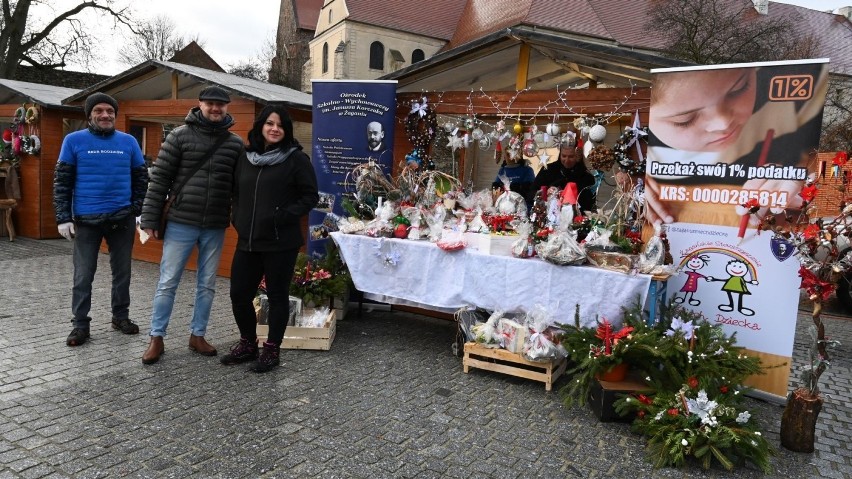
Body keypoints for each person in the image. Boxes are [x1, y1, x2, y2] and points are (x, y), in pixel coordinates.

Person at [644, 63, 827, 226]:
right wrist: (633, 185)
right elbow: (623, 169)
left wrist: (801, 169)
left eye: (739, 89)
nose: (723, 124)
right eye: (685, 120)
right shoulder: (641, 135)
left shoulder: (799, 85)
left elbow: (820, 148)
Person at [138, 86, 245, 365]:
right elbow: (159, 179)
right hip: (181, 221)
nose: (215, 109)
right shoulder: (179, 136)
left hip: (214, 224)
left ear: (226, 108)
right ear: (200, 104)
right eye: (210, 103)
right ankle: (156, 337)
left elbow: (240, 188)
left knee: (207, 284)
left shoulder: (234, 144)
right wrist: (149, 219)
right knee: (168, 281)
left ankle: (197, 335)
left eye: (220, 105)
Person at [222, 104, 318, 373]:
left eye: (280, 125)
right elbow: (236, 192)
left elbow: (310, 196)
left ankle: (272, 350)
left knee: (277, 297)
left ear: (286, 130)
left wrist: (282, 215)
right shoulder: (246, 157)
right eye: (270, 124)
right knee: (239, 295)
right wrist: (237, 217)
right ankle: (248, 344)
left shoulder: (296, 159)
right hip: (248, 241)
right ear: (260, 126)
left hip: (280, 242)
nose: (275, 129)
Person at [53, 92, 149, 346]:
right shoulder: (73, 141)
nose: (105, 115)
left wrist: (138, 211)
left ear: (115, 115)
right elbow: (62, 182)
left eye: (110, 111)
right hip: (86, 219)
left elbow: (141, 179)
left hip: (122, 218)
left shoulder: (129, 142)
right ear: (90, 115)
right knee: (83, 275)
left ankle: (120, 316)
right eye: (99, 111)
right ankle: (80, 324)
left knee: (123, 273)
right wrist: (63, 217)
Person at [532, 141, 596, 213]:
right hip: (548, 215)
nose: (567, 160)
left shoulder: (587, 177)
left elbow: (590, 205)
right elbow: (532, 193)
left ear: (578, 156)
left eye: (571, 156)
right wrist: (544, 193)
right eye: (564, 156)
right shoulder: (548, 170)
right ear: (560, 155)